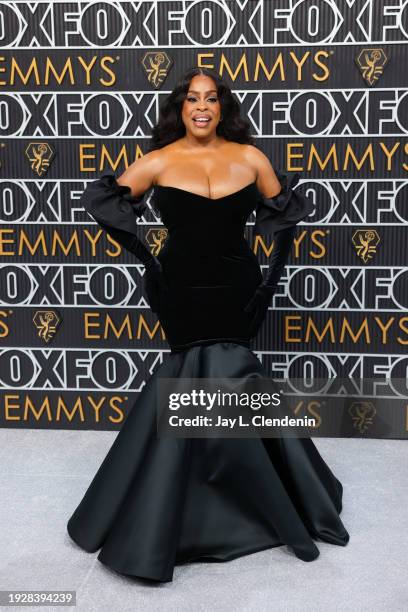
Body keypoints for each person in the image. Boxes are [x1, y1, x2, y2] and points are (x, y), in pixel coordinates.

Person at [67, 67, 349, 582]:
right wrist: (148, 261)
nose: (202, 106)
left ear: (223, 108)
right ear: (182, 107)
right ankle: (183, 502)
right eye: (193, 98)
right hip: (181, 291)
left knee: (234, 374)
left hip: (237, 287)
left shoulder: (250, 158)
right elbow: (104, 201)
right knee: (191, 374)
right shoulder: (158, 161)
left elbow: (285, 213)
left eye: (212, 99)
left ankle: (252, 493)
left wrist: (270, 280)